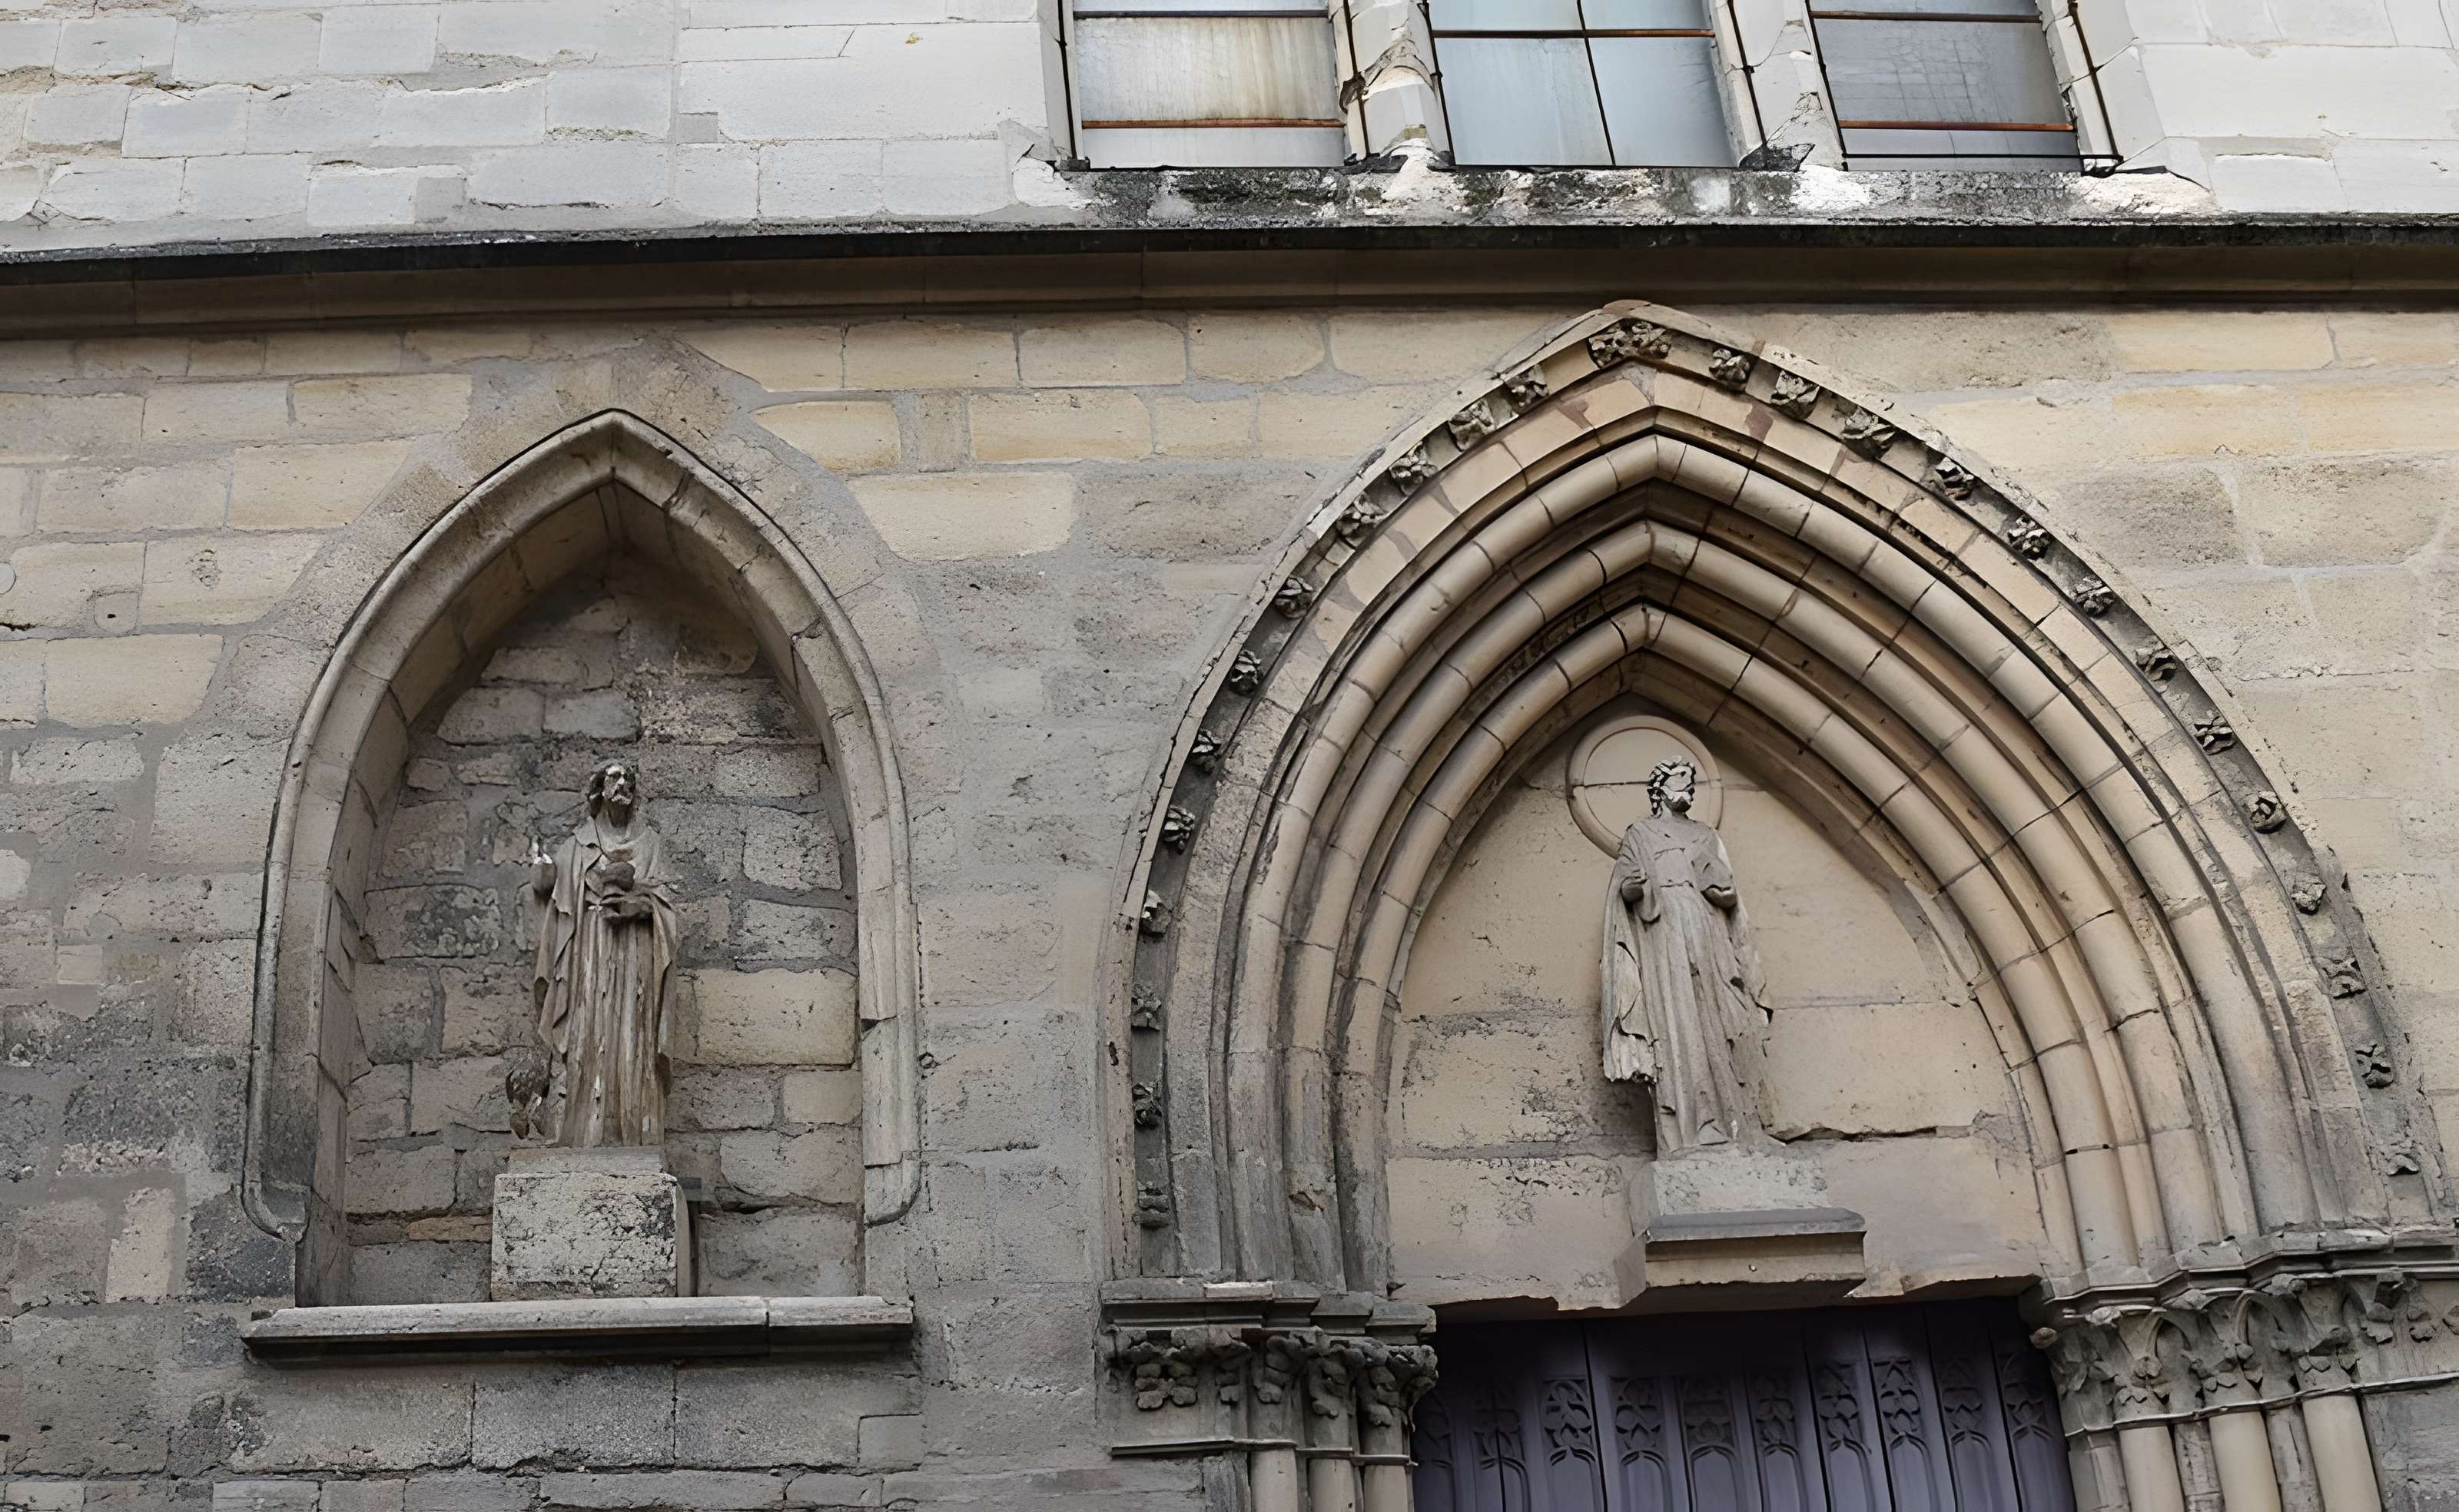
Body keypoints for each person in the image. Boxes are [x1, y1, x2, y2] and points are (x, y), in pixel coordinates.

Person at [1599, 759, 1770, 1152]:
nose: (1689, 790)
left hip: (1707, 934)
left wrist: (1722, 895)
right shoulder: (1640, 835)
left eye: (1692, 784)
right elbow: (1624, 891)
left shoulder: (1705, 835)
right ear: (1660, 788)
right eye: (1681, 782)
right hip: (1664, 936)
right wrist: (1633, 888)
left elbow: (1727, 894)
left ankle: (1739, 1123)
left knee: (1719, 1021)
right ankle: (1692, 1127)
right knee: (1679, 1024)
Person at [520, 759, 681, 1147]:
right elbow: (549, 888)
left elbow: (668, 905)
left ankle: (634, 1134)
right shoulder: (577, 845)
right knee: (586, 1031)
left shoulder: (651, 845)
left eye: (628, 779)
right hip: (588, 949)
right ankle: (581, 1134)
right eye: (614, 778)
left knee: (631, 1034)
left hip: (636, 951)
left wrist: (642, 908)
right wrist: (541, 863)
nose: (622, 784)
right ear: (600, 789)